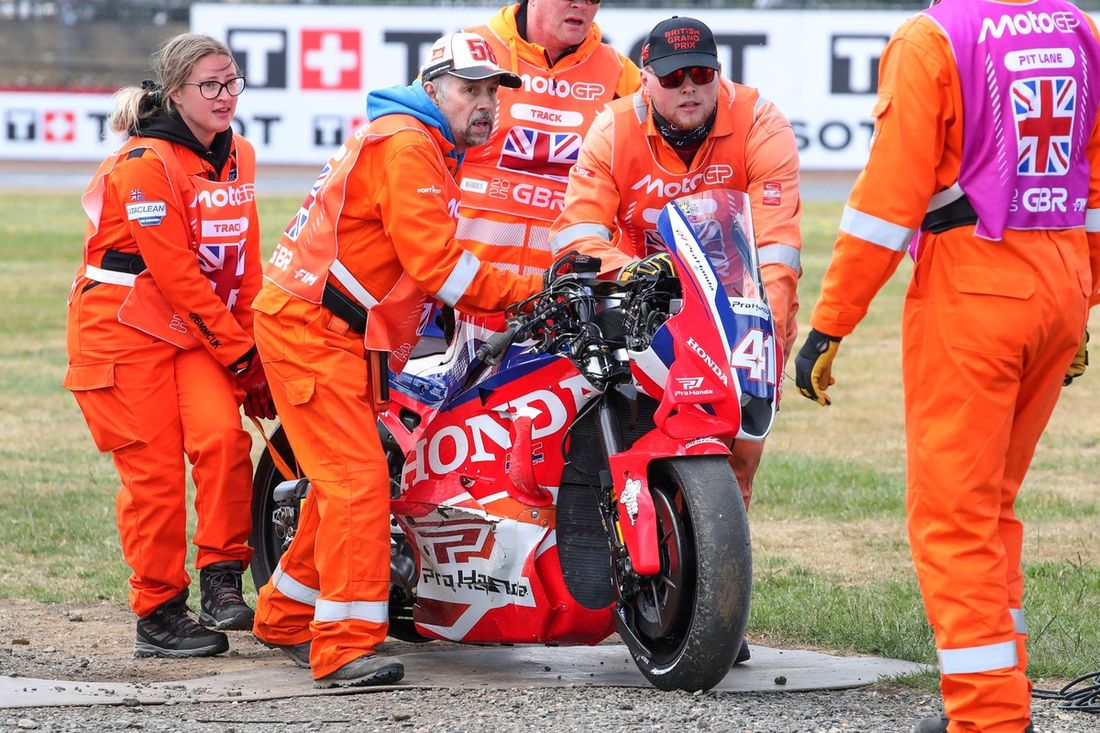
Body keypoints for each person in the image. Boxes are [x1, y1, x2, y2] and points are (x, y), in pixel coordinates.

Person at [793, 1, 1100, 731]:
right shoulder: (1077, 29)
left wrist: (831, 322)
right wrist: (1083, 295)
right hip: (1059, 284)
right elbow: (1093, 183)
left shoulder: (930, 38)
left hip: (976, 288)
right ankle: (1001, 697)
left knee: (954, 517)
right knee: (991, 506)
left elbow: (886, 200)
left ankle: (989, 718)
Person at [249, 32, 543, 688]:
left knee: (341, 481)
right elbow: (440, 267)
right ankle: (343, 647)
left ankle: (287, 616)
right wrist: (534, 289)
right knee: (357, 484)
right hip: (314, 330)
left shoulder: (422, 142)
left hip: (333, 330)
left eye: (492, 92)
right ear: (432, 88)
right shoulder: (409, 146)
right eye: (470, 90)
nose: (485, 103)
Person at [64, 33, 273, 659]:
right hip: (121, 327)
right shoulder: (143, 162)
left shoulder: (240, 154)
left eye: (232, 82)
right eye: (210, 85)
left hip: (189, 324)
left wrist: (255, 351)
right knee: (153, 475)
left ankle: (221, 580)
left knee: (223, 441)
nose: (225, 96)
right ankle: (157, 613)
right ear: (176, 93)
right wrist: (240, 356)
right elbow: (177, 273)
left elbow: (244, 264)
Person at [548, 16, 802, 511]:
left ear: (718, 73)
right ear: (645, 81)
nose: (688, 87)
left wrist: (763, 331)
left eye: (701, 74)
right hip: (647, 306)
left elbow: (777, 249)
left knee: (735, 455)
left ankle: (717, 551)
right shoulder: (613, 129)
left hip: (741, 304)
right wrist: (627, 272)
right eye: (671, 77)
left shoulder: (761, 122)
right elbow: (577, 233)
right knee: (639, 438)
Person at [457, 0, 640, 275]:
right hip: (466, 281)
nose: (581, 5)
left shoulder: (620, 74)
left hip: (566, 291)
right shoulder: (469, 49)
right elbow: (423, 154)